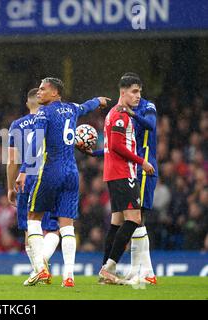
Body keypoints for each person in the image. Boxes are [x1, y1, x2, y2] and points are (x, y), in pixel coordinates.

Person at [15, 77, 110, 287]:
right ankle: (69, 276)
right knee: (67, 225)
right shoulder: (70, 109)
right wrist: (99, 100)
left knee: (33, 217)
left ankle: (40, 269)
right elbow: (86, 106)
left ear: (55, 93)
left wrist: (23, 171)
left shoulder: (43, 113)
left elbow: (36, 143)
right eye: (38, 89)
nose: (39, 92)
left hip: (51, 171)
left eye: (43, 89)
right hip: (72, 172)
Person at [97, 74, 155, 284]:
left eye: (139, 91)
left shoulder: (114, 114)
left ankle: (105, 271)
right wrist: (142, 162)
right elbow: (116, 146)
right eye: (134, 91)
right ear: (123, 93)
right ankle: (110, 266)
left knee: (117, 222)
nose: (138, 96)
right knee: (134, 219)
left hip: (113, 173)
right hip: (123, 173)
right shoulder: (120, 116)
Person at [6, 88, 60, 286]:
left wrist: (10, 187)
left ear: (28, 103)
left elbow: (12, 160)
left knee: (30, 227)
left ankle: (39, 266)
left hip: (26, 179)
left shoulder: (17, 125)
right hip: (50, 176)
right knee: (53, 228)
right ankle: (42, 263)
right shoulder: (53, 120)